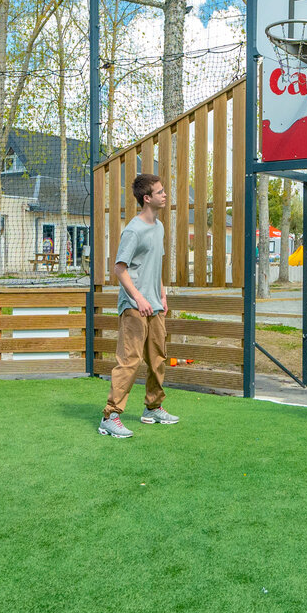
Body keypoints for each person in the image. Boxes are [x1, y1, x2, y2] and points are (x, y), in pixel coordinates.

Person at [99, 173, 174, 437]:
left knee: (157, 359)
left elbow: (156, 265)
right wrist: (139, 298)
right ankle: (110, 416)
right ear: (147, 198)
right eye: (160, 191)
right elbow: (120, 268)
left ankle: (153, 407)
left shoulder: (160, 226)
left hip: (155, 304)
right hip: (133, 305)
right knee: (129, 361)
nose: (164, 194)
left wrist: (162, 295)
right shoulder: (133, 230)